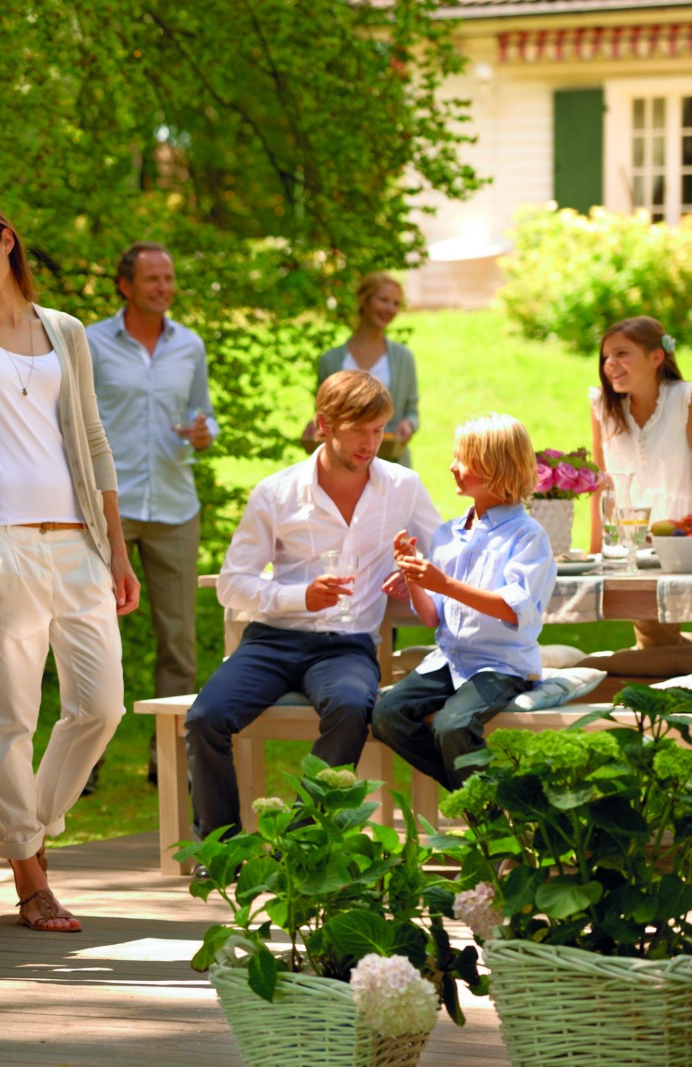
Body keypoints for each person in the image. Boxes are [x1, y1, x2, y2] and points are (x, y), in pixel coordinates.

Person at [0, 196, 141, 933]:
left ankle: (29, 829)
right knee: (8, 718)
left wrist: (115, 548)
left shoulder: (66, 332)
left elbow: (92, 437)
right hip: (0, 544)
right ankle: (29, 878)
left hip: (78, 539)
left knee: (101, 705)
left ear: (7, 242)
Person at [188, 371, 440, 839]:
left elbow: (445, 552)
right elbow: (232, 585)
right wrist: (297, 596)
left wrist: (414, 572)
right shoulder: (276, 492)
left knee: (350, 708)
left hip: (346, 647)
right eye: (358, 430)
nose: (371, 443)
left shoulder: (402, 487)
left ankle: (303, 840)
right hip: (271, 641)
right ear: (324, 424)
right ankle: (219, 847)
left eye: (379, 430)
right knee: (205, 719)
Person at [86, 242, 217, 781]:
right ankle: (84, 762)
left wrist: (206, 431)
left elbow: (202, 414)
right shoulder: (91, 343)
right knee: (91, 634)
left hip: (172, 505)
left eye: (169, 278)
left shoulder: (190, 345)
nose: (164, 287)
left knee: (178, 639)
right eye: (152, 279)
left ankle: (170, 760)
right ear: (125, 285)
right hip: (103, 506)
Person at [371, 414, 556, 788]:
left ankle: (485, 817)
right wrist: (414, 577)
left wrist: (445, 582)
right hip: (449, 660)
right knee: (386, 715)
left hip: (502, 667)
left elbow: (513, 608)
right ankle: (489, 800)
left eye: (463, 459)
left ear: (496, 467)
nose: (452, 466)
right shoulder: (447, 534)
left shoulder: (527, 537)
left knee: (451, 725)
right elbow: (432, 619)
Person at [589, 318, 692, 644]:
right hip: (632, 552)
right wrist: (595, 554)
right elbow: (600, 485)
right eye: (606, 357)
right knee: (654, 646)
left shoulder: (685, 401)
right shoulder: (604, 408)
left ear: (656, 357)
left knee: (657, 650)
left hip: (683, 546)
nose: (610, 365)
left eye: (622, 353)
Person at [309, 272, 420, 468]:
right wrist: (312, 427)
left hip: (391, 464)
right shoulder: (331, 360)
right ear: (364, 301)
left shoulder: (404, 358)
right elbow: (322, 413)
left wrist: (408, 424)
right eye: (383, 300)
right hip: (341, 466)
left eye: (395, 303)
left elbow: (412, 411)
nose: (390, 308)